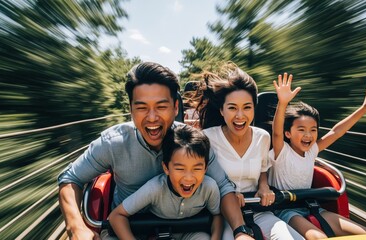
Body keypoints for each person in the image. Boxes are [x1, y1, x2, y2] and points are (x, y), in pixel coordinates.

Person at [57, 62, 253, 240]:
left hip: (184, 228)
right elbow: (70, 178)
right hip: (129, 229)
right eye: (142, 107)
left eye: (161, 106)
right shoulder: (113, 143)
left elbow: (224, 188)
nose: (152, 118)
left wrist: (240, 231)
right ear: (131, 109)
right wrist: (76, 227)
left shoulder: (193, 143)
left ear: (176, 107)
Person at [194, 63, 304, 240]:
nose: (240, 115)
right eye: (232, 108)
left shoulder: (262, 137)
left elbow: (262, 170)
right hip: (223, 216)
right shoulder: (206, 139)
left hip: (258, 210)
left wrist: (263, 186)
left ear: (254, 108)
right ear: (222, 110)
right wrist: (227, 196)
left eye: (247, 107)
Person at [268, 73, 366, 239]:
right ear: (288, 133)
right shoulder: (281, 151)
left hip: (311, 205)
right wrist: (283, 103)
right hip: (285, 209)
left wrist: (364, 108)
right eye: (301, 130)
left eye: (313, 130)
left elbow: (337, 131)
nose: (308, 135)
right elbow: (276, 132)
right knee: (318, 238)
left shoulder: (312, 151)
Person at [109, 125, 223, 239]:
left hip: (190, 232)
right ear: (166, 168)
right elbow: (116, 215)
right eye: (180, 169)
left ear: (205, 169)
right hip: (155, 233)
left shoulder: (209, 187)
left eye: (197, 169)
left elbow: (217, 215)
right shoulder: (154, 189)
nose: (189, 178)